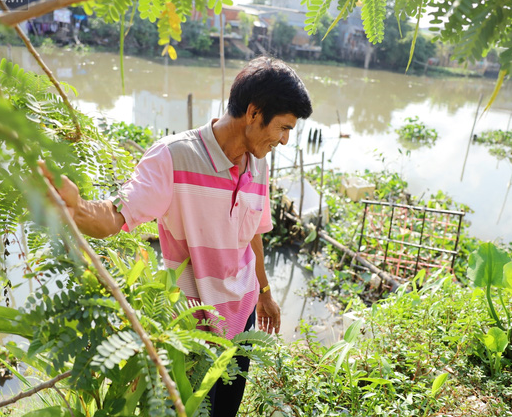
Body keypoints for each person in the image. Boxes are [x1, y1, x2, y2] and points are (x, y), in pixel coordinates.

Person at [41, 56, 313, 416]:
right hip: (191, 331)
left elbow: (253, 235)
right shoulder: (173, 157)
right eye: (283, 127)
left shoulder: (258, 163)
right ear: (253, 113)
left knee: (225, 411)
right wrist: (76, 211)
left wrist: (264, 293)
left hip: (242, 315)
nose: (284, 140)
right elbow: (115, 215)